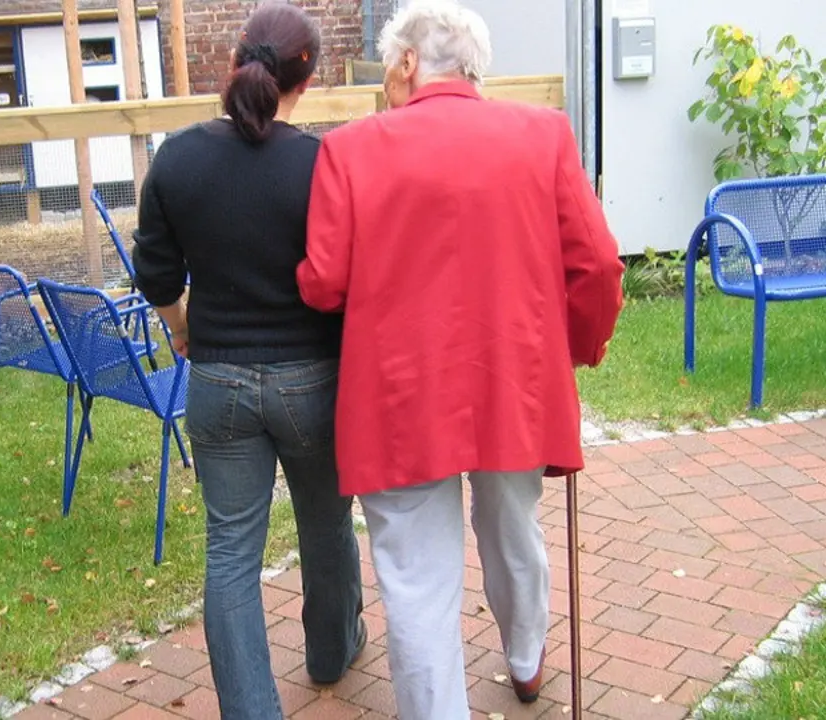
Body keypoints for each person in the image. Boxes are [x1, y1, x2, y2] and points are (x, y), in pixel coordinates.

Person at [295, 1, 625, 717]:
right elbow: (597, 265)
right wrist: (578, 346)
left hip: (398, 395)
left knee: (416, 577)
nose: (387, 77)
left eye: (391, 63)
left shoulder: (350, 149)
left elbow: (323, 283)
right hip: (515, 383)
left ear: (410, 62)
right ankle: (527, 657)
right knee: (513, 526)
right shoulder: (543, 134)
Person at [131, 3, 366, 717]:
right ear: (311, 76)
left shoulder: (177, 157)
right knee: (327, 525)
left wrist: (181, 329)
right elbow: (349, 272)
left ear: (234, 63)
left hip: (218, 381)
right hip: (314, 382)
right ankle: (331, 652)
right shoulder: (323, 162)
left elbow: (157, 272)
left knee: (231, 552)